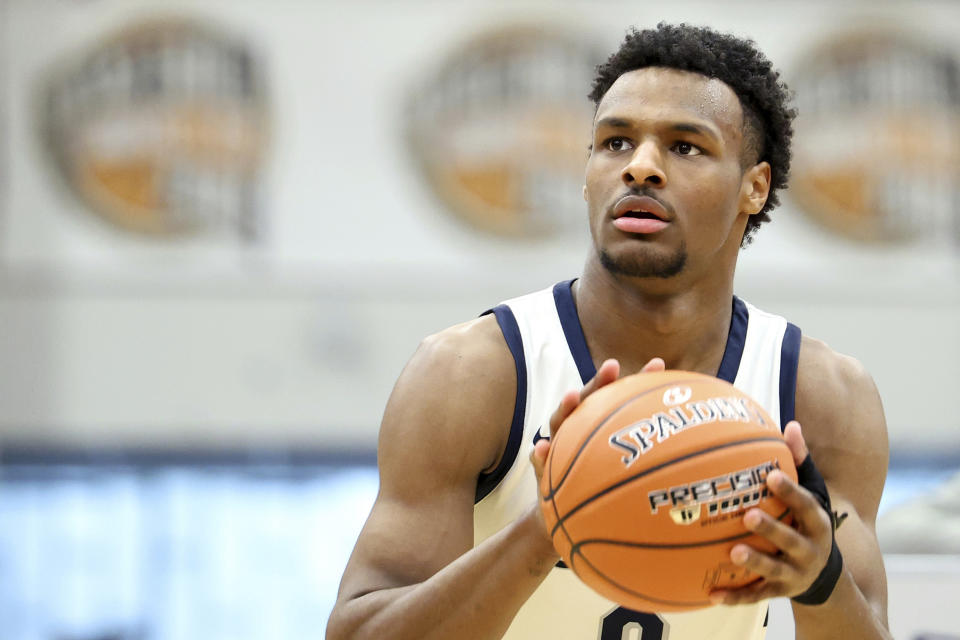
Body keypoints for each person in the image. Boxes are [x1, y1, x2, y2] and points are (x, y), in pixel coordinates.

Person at [326, 22, 891, 640]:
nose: (640, 168)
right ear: (587, 169)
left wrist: (820, 579)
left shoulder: (820, 395)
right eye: (615, 142)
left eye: (685, 147)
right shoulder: (475, 372)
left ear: (753, 187)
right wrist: (547, 530)